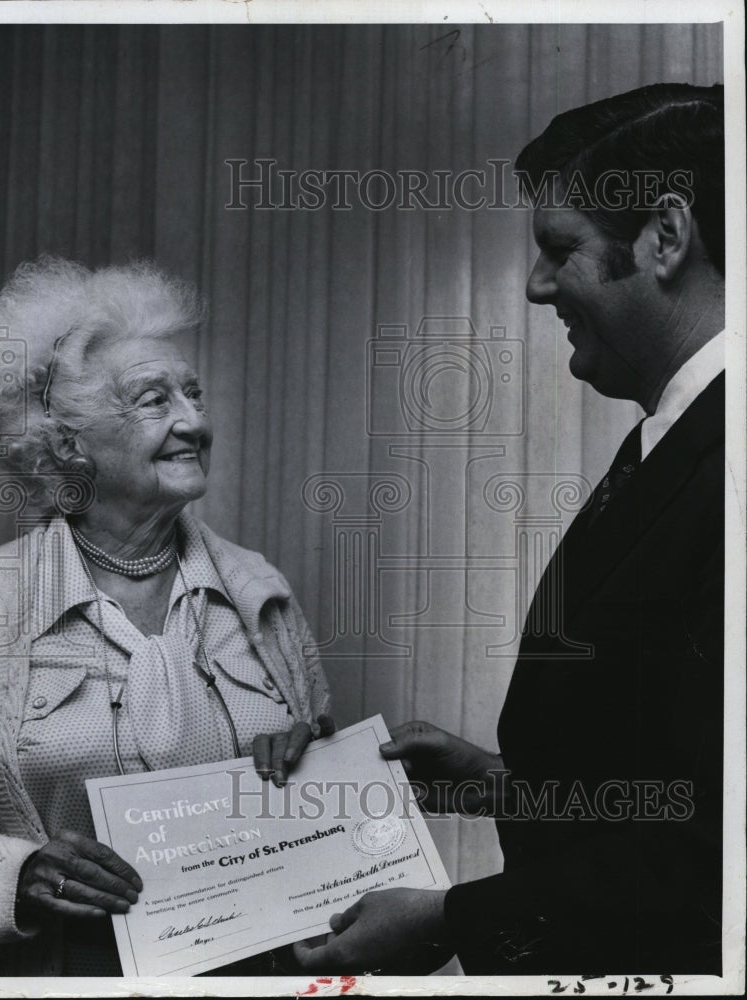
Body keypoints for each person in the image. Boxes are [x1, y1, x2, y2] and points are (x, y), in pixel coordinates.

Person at [294, 82, 725, 975]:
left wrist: (451, 918)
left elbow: (718, 857)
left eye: (560, 250)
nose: (536, 288)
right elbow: (680, 767)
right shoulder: (673, 441)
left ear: (667, 237)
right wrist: (502, 782)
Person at [0, 257, 333, 976]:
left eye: (194, 395)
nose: (195, 422)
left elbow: (325, 806)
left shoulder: (261, 592)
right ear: (67, 443)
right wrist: (17, 876)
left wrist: (310, 775)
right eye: (153, 400)